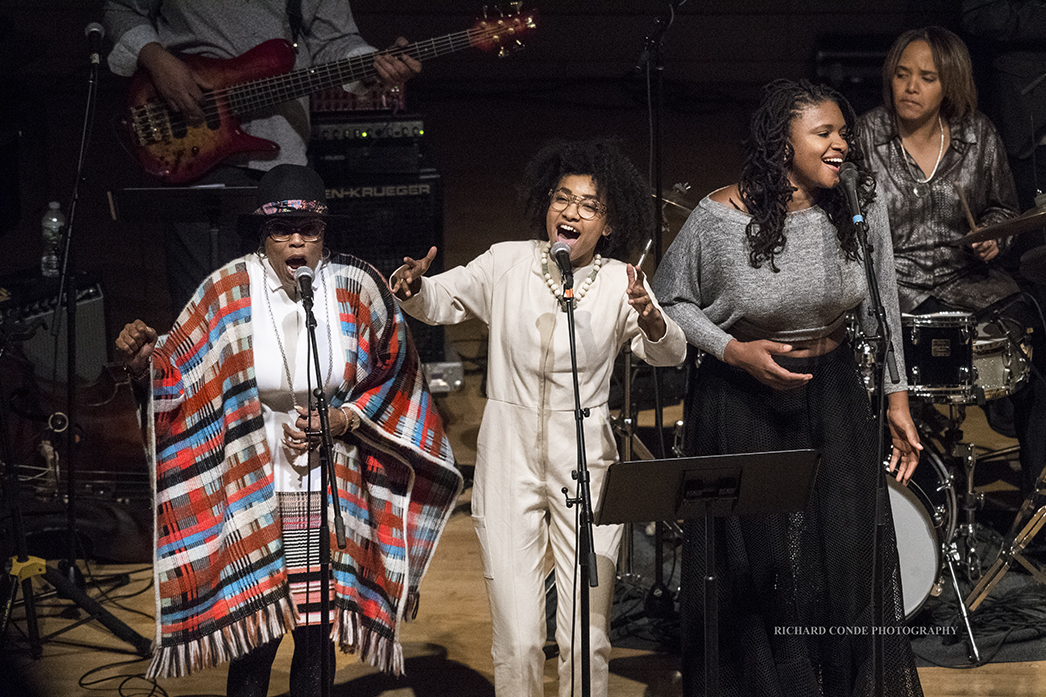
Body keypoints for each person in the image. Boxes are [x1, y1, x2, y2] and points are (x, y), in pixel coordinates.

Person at [114, 165, 461, 696]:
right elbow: (178, 373)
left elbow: (395, 371)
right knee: (257, 637)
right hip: (257, 488)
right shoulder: (228, 289)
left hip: (331, 487)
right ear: (262, 236)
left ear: (325, 233)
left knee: (316, 635)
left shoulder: (355, 284)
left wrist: (344, 418)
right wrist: (144, 365)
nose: (297, 239)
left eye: (309, 228)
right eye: (283, 229)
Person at [388, 139, 687, 697]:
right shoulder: (506, 262)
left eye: (588, 205)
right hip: (508, 460)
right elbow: (440, 299)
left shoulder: (623, 282)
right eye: (562, 198)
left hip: (588, 463)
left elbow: (670, 353)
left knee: (586, 640)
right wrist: (413, 287)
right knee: (520, 641)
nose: (570, 212)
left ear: (610, 223)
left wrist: (649, 316)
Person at [653, 79, 924, 696]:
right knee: (765, 560)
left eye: (843, 133)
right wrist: (733, 350)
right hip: (743, 394)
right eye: (824, 134)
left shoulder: (859, 199)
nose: (841, 145)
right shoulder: (719, 219)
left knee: (848, 549)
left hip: (832, 388)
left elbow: (885, 300)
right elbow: (671, 299)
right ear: (782, 146)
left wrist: (898, 396)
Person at [103, 0, 421, 310]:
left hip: (284, 159)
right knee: (202, 319)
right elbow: (121, 9)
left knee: (292, 310)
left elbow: (334, 40)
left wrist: (371, 66)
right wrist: (156, 59)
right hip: (194, 147)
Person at [857, 26, 1046, 498]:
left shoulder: (977, 133)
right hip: (896, 286)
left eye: (926, 77)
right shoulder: (865, 133)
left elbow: (1003, 209)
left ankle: (1035, 509)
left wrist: (991, 240)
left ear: (950, 85)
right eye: (902, 75)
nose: (911, 87)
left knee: (1038, 356)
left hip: (968, 279)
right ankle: (887, 501)